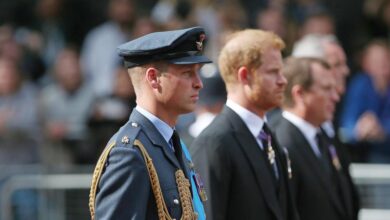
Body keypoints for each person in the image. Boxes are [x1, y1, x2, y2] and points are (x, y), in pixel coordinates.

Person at [89, 26, 211, 220]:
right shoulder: (130, 153)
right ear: (153, 78)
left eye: (198, 73)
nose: (199, 83)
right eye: (188, 73)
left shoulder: (171, 141)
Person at [190, 29, 299, 220]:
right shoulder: (214, 143)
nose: (283, 81)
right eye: (273, 72)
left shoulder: (269, 138)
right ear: (245, 76)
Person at [269, 57, 359, 220]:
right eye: (326, 89)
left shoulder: (323, 137)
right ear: (300, 94)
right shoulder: (282, 144)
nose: (335, 97)